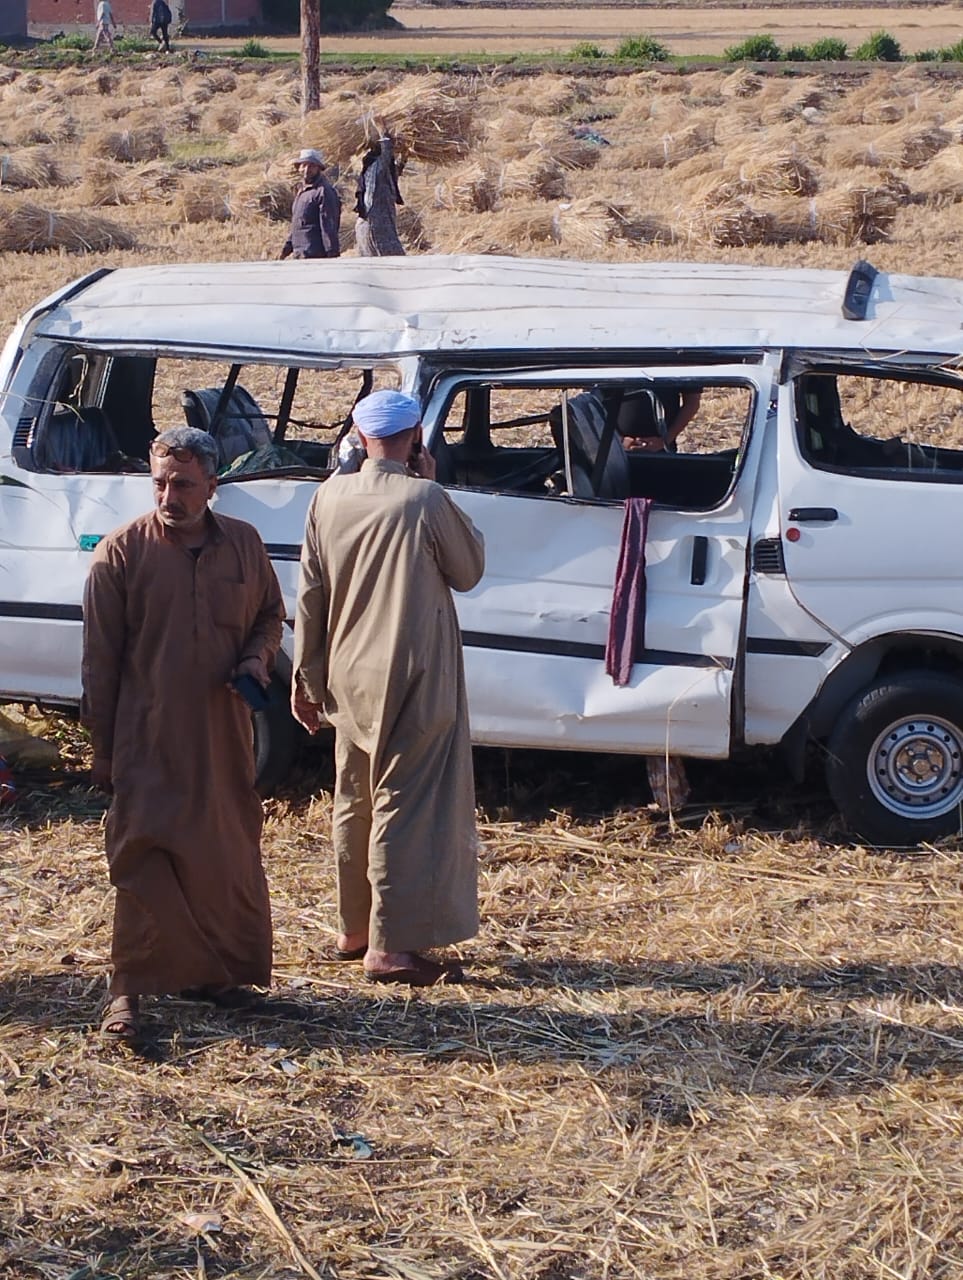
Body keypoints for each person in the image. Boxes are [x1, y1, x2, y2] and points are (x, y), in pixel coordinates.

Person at [82, 427, 284, 1041]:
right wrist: (104, 748)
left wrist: (256, 659)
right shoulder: (121, 553)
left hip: (223, 735)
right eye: (161, 482)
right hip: (149, 736)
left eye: (184, 484)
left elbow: (270, 615)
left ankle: (215, 977)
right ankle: (127, 996)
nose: (170, 495)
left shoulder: (244, 545)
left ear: (212, 485)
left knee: (222, 855)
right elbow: (101, 661)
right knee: (143, 857)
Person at [292, 390, 485, 986]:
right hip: (414, 673)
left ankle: (354, 928)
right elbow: (470, 569)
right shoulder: (424, 499)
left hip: (348, 674)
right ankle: (390, 945)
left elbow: (310, 595)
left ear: (356, 431)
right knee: (404, 803)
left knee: (354, 799)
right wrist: (435, 484)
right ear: (417, 435)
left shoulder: (329, 497)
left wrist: (306, 678)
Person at [280, 148, 342, 261]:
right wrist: (286, 249)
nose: (307, 169)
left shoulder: (324, 191)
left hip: (316, 256)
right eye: (304, 165)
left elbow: (329, 226)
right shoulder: (301, 191)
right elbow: (297, 224)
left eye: (312, 166)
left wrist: (332, 255)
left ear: (318, 168)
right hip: (299, 255)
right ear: (299, 168)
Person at [354, 135, 405, 257]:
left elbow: (394, 173)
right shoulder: (376, 169)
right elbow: (386, 154)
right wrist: (383, 131)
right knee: (392, 260)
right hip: (375, 224)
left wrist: (404, 156)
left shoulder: (381, 173)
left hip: (375, 223)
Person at [618, 385, 702, 453]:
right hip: (612, 450)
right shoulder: (613, 363)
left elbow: (692, 403)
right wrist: (618, 440)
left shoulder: (678, 364)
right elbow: (604, 401)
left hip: (661, 451)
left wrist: (664, 441)